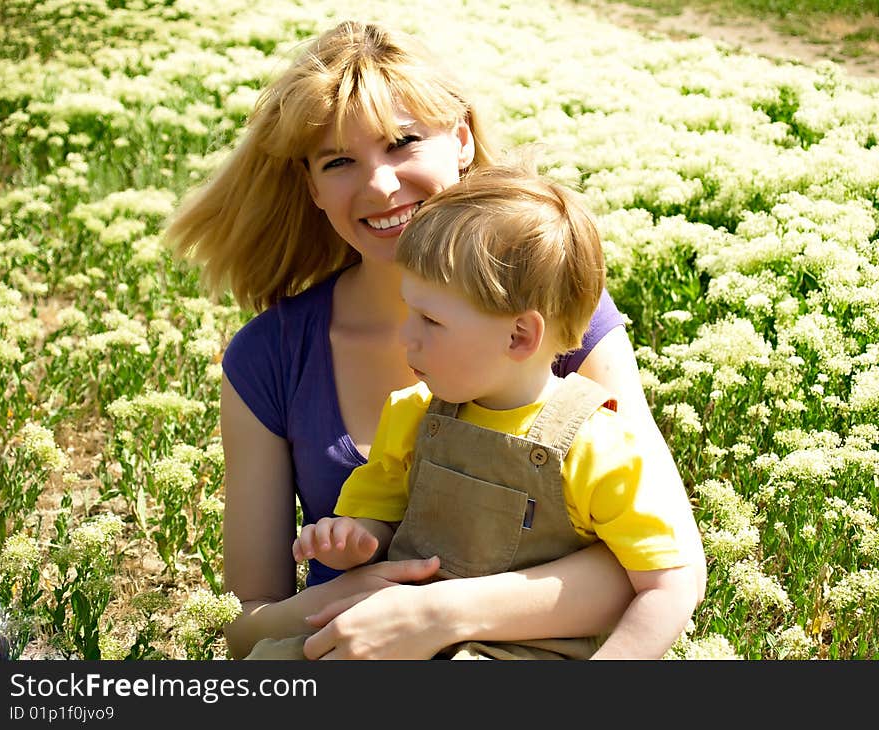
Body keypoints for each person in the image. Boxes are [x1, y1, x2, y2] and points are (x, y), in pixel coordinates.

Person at [165, 19, 705, 660]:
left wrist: (435, 612)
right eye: (339, 161)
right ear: (311, 186)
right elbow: (246, 622)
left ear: (463, 141)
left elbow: (670, 565)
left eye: (403, 143)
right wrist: (338, 601)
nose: (380, 186)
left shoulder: (549, 317)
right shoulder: (268, 358)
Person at [287, 165, 700, 659]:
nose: (406, 337)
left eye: (430, 320)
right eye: (409, 310)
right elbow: (381, 511)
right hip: (395, 636)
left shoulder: (597, 444)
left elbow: (668, 584)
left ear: (519, 336)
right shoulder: (413, 415)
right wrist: (356, 536)